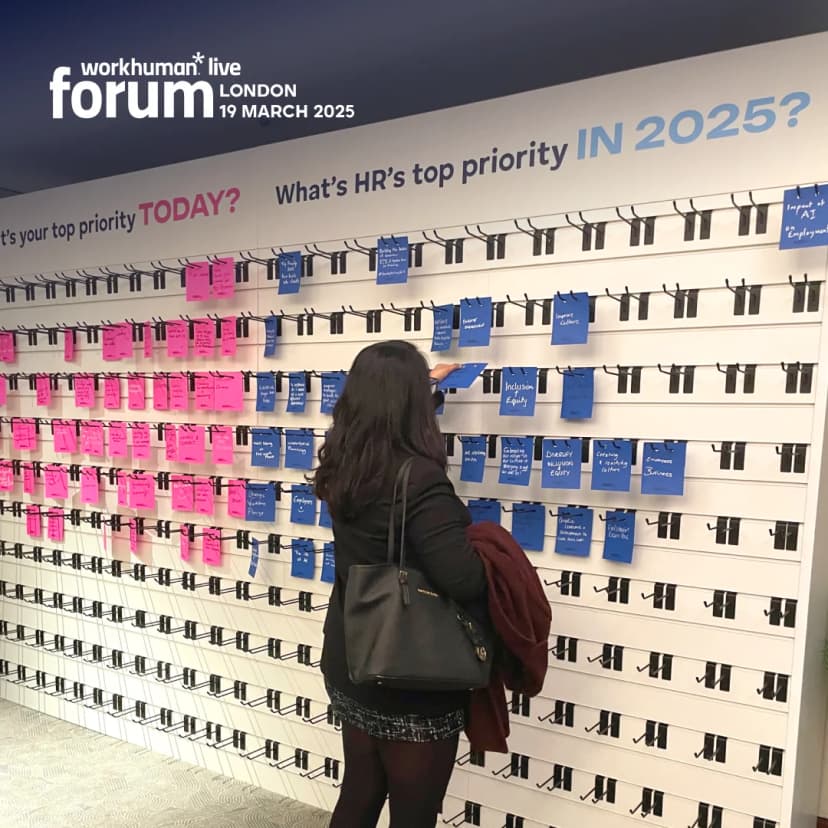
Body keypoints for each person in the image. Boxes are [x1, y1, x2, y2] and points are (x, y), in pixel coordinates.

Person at [313, 341, 488, 828]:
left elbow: (385, 423)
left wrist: (429, 383)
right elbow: (464, 576)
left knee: (360, 793)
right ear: (410, 405)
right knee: (413, 814)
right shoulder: (421, 481)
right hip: (411, 673)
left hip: (355, 657)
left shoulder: (345, 462)